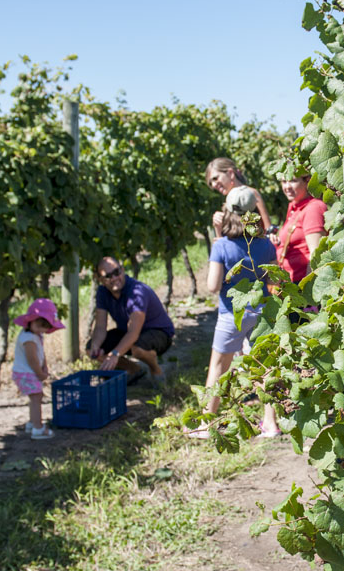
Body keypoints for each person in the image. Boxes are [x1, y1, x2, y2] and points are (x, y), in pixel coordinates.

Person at [190, 185, 279, 438]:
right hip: (261, 312)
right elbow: (274, 279)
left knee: (218, 367)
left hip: (232, 313)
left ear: (227, 211)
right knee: (265, 367)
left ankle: (207, 424)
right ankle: (270, 424)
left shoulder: (222, 246)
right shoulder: (265, 246)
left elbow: (212, 285)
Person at [87, 257, 175, 385]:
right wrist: (96, 345)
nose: (114, 278)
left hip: (158, 333)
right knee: (90, 350)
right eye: (108, 276)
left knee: (138, 348)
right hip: (128, 332)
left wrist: (115, 354)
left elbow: (134, 332)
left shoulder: (136, 292)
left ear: (122, 270)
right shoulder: (102, 292)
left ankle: (156, 370)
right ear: (100, 280)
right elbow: (100, 326)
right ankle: (134, 369)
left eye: (116, 272)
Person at [12, 298, 65, 440]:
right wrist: (40, 373)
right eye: (40, 325)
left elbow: (40, 353)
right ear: (31, 321)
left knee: (35, 397)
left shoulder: (35, 335)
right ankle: (38, 428)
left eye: (45, 326)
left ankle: (32, 423)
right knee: (36, 399)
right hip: (27, 373)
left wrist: (45, 366)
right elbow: (32, 359)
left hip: (29, 372)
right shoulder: (28, 338)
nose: (43, 329)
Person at [270, 175, 328, 284]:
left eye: (293, 181)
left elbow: (316, 254)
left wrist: (307, 289)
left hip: (300, 282)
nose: (287, 186)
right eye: (284, 181)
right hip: (290, 281)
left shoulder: (313, 209)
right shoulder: (295, 207)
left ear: (307, 182)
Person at [206, 157, 272, 237]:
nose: (214, 185)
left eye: (215, 178)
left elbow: (269, 231)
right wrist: (218, 227)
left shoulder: (252, 194)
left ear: (230, 173)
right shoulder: (227, 203)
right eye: (210, 183)